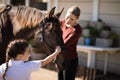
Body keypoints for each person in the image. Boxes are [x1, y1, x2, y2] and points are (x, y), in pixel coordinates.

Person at [59, 5, 82, 80]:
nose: (68, 20)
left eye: (71, 19)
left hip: (70, 61)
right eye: (67, 16)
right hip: (60, 59)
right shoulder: (62, 22)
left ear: (77, 19)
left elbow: (64, 44)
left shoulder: (77, 30)